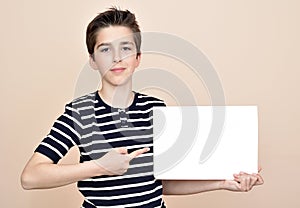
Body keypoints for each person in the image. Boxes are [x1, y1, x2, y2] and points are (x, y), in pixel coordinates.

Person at [21, 7, 264, 208]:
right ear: (93, 60)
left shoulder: (156, 109)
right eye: (105, 49)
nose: (117, 58)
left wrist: (222, 182)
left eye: (125, 48)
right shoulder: (79, 112)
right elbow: (31, 176)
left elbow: (159, 183)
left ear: (137, 57)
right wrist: (99, 167)